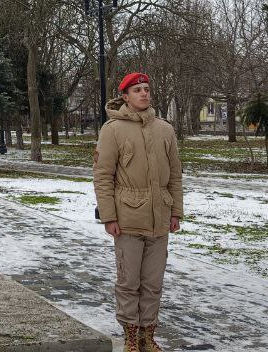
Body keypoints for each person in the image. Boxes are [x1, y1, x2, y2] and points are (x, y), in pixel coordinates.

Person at [93, 72, 183, 352]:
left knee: (153, 283)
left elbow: (175, 176)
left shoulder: (164, 129)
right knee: (129, 282)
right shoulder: (112, 130)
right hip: (128, 218)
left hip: (160, 218)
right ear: (125, 97)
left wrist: (176, 212)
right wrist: (109, 216)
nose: (144, 93)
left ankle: (147, 336)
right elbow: (103, 176)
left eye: (146, 88)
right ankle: (130, 337)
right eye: (137, 90)